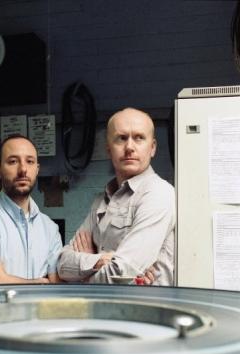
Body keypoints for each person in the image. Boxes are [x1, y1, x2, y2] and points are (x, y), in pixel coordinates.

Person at [58, 107, 175, 286]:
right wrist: (99, 260)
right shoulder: (101, 201)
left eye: (139, 138)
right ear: (109, 149)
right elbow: (62, 264)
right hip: (104, 303)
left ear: (152, 148)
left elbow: (121, 274)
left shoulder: (158, 193)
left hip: (144, 304)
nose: (129, 147)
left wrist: (83, 275)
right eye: (121, 138)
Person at [0, 135, 62, 284]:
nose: (23, 169)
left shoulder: (50, 229)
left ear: (37, 169)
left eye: (30, 161)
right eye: (13, 161)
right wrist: (41, 283)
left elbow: (56, 285)